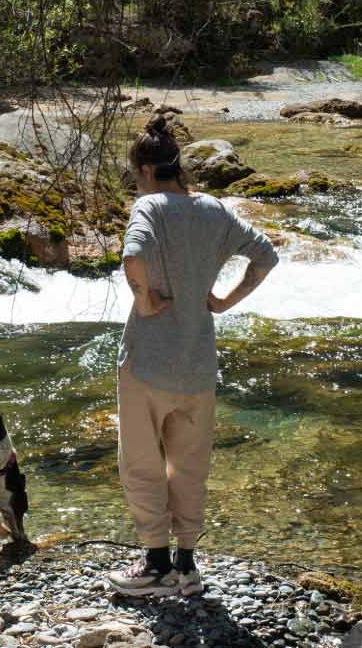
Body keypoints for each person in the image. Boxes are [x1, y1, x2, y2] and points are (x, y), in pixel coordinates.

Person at [108, 115, 279, 597]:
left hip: (146, 363)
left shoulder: (148, 208)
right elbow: (265, 256)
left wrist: (144, 300)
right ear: (177, 165)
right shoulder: (214, 210)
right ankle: (188, 566)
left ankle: (156, 565)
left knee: (142, 462)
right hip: (199, 363)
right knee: (190, 465)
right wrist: (225, 301)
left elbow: (132, 258)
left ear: (143, 169)